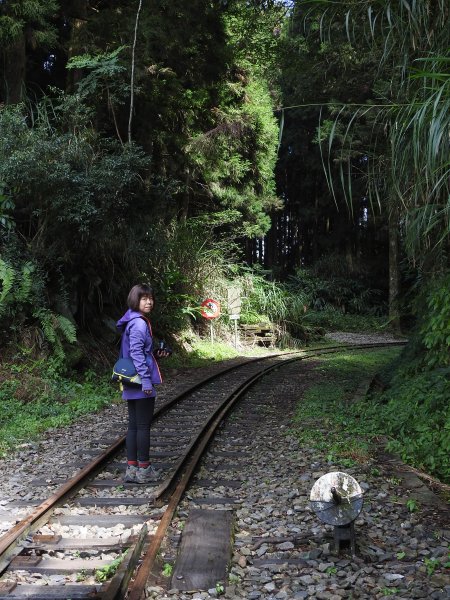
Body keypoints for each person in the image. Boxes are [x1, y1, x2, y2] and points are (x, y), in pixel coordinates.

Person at [116, 283, 169, 484]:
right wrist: (146, 380)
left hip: (130, 378)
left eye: (150, 298)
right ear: (135, 300)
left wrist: (155, 355)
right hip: (140, 381)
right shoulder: (139, 323)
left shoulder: (130, 319)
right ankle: (144, 469)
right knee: (143, 426)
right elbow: (137, 353)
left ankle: (132, 468)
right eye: (144, 298)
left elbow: (138, 352)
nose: (149, 302)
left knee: (133, 427)